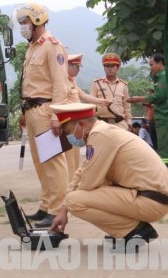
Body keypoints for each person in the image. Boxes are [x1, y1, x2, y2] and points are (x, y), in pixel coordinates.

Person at [48, 103, 168, 250]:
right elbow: (82, 171)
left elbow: (88, 182)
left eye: (68, 132)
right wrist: (62, 210)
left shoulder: (100, 135)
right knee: (78, 195)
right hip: (152, 198)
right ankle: (127, 228)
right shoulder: (102, 132)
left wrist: (67, 205)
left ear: (80, 124)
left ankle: (133, 231)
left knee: (75, 201)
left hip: (151, 202)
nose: (68, 137)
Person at [16, 2, 69, 228]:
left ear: (37, 21)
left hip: (47, 110)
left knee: (54, 162)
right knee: (41, 163)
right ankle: (46, 207)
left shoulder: (52, 46)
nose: (22, 27)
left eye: (25, 22)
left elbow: (60, 84)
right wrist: (23, 113)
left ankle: (57, 209)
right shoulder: (32, 47)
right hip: (32, 111)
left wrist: (57, 115)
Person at [65, 53, 112, 180]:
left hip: (76, 124)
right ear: (68, 65)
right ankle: (69, 184)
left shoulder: (72, 81)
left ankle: (73, 182)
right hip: (68, 123)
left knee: (74, 156)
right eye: (77, 67)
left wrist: (100, 101)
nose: (79, 70)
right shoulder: (61, 81)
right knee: (68, 157)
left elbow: (83, 96)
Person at [128, 53, 168, 165]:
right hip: (160, 116)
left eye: (152, 64)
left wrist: (140, 99)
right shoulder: (157, 77)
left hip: (163, 117)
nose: (150, 67)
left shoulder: (163, 76)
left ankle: (164, 172)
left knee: (163, 148)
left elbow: (160, 95)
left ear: (160, 63)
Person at [90, 53, 132, 131]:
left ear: (117, 68)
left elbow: (127, 105)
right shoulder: (97, 83)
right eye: (107, 66)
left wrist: (129, 121)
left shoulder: (123, 85)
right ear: (104, 68)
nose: (110, 68)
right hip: (102, 123)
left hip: (119, 124)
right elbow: (92, 105)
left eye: (112, 66)